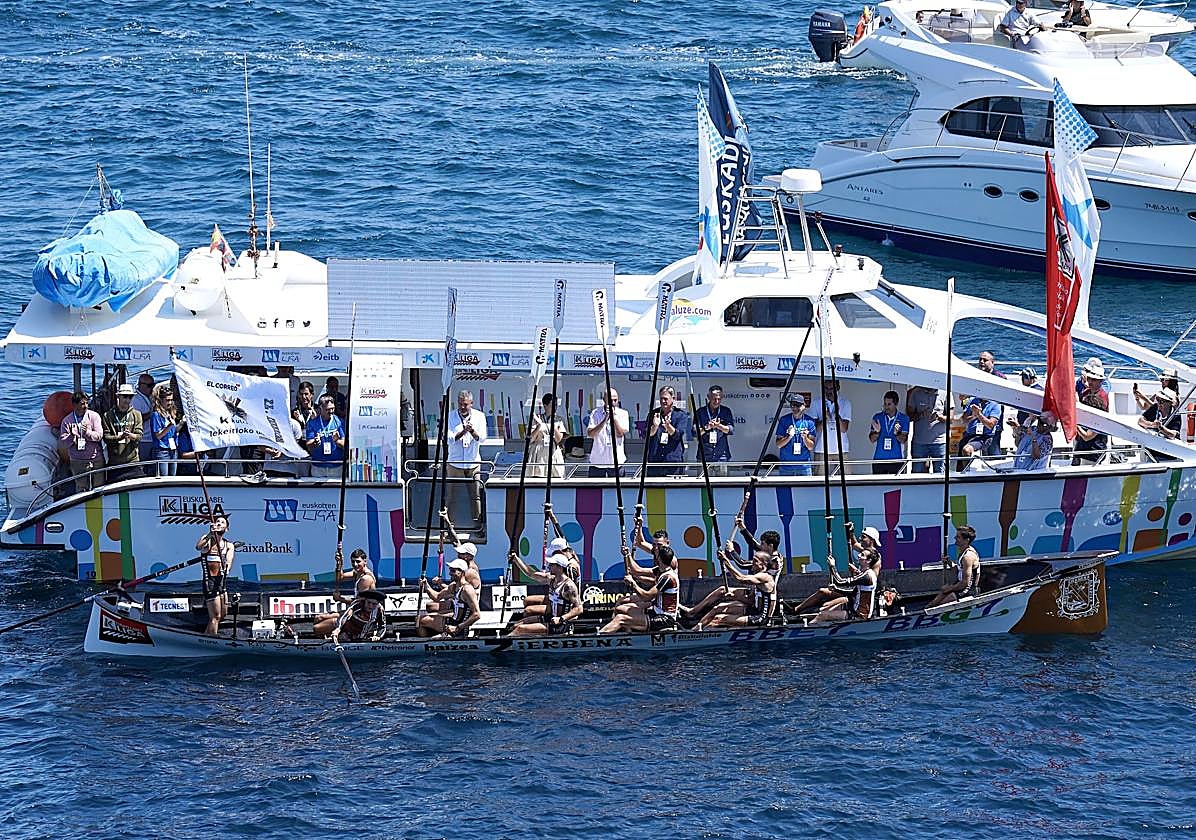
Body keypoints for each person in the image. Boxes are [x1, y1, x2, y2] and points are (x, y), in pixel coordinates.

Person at [599, 545, 679, 634]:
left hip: (665, 619)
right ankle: (628, 636)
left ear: (659, 559)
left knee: (620, 618)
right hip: (655, 610)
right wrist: (627, 554)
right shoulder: (660, 570)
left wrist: (633, 584)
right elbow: (636, 570)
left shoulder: (667, 578)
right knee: (620, 609)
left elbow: (646, 597)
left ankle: (598, 637)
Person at [699, 548, 777, 629]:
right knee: (718, 608)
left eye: (755, 561)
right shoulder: (758, 576)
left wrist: (725, 560)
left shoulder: (765, 577)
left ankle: (700, 635)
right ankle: (696, 629)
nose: (752, 563)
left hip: (760, 617)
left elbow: (741, 578)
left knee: (718, 619)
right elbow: (751, 598)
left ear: (764, 564)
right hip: (753, 609)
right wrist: (733, 596)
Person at [508, 551, 583, 636]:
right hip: (549, 618)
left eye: (552, 564)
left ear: (559, 567)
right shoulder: (551, 579)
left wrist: (561, 619)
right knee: (515, 625)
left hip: (560, 625)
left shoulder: (569, 586)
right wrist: (516, 559)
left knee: (519, 629)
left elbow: (579, 608)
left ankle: (503, 643)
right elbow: (531, 574)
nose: (549, 566)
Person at [312, 548, 378, 636]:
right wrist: (339, 563)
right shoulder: (357, 572)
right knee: (318, 618)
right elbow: (340, 577)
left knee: (316, 628)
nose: (355, 564)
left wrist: (340, 599)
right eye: (353, 562)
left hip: (361, 617)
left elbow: (359, 603)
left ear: (365, 561)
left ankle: (346, 634)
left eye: (358, 562)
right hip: (355, 612)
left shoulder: (366, 579)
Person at [807, 547, 882, 623]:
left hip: (859, 615)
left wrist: (832, 566)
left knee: (822, 615)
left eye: (862, 555)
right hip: (853, 606)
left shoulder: (867, 576)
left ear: (868, 561)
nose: (858, 555)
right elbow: (852, 592)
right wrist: (836, 589)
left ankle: (807, 629)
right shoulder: (865, 573)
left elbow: (839, 581)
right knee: (824, 609)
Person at [446, 390, 487, 523]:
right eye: (460, 404)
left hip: (473, 462)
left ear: (471, 403)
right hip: (455, 463)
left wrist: (472, 430)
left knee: (476, 496)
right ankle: (449, 526)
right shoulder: (450, 416)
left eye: (466, 404)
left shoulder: (479, 416)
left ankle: (477, 525)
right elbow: (449, 439)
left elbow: (482, 438)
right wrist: (463, 431)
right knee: (451, 497)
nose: (463, 407)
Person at [418, 558, 481, 638]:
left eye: (453, 571)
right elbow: (436, 597)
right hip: (453, 620)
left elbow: (476, 615)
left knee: (421, 621)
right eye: (450, 570)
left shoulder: (467, 590)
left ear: (462, 572)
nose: (450, 573)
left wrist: (457, 628)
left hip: (460, 628)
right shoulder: (453, 586)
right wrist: (426, 585)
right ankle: (429, 641)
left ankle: (433, 641)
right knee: (420, 619)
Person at [196, 515, 235, 635]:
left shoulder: (229, 545)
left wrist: (227, 568)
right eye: (217, 521)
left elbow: (229, 561)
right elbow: (198, 547)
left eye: (222, 522)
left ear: (226, 529)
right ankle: (212, 640)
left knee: (223, 614)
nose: (219, 523)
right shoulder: (207, 540)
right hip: (210, 583)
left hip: (221, 582)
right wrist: (210, 534)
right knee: (215, 617)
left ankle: (205, 636)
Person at [59, 391, 104, 493]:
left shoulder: (94, 416)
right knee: (81, 489)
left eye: (87, 403)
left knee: (99, 488)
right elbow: (63, 442)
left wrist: (87, 433)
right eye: (82, 404)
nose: (86, 406)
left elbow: (99, 436)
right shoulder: (67, 421)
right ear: (75, 405)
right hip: (77, 461)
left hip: (95, 460)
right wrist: (72, 437)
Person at [928, 525, 981, 607]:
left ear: (966, 540)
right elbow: (958, 570)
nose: (955, 538)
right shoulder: (962, 552)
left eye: (958, 537)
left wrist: (949, 588)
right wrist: (949, 562)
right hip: (959, 585)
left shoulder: (968, 557)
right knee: (933, 603)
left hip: (967, 590)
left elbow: (965, 583)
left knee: (940, 606)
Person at [807, 380, 851, 475]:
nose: (829, 391)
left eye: (832, 388)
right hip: (821, 448)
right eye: (826, 388)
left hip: (841, 448)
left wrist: (837, 415)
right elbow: (815, 430)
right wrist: (825, 418)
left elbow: (844, 429)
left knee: (846, 479)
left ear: (838, 388)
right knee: (820, 480)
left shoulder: (845, 403)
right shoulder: (816, 402)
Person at [102, 383, 143, 483]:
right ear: (118, 396)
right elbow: (106, 438)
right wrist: (120, 437)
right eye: (124, 396)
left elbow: (139, 436)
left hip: (133, 461)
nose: (127, 400)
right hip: (115, 462)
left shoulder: (137, 414)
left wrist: (130, 435)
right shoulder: (108, 415)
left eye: (130, 397)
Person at [646, 386, 690, 476]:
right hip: (655, 461)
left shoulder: (681, 415)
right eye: (661, 399)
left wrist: (668, 426)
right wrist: (655, 426)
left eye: (665, 399)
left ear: (673, 398)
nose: (663, 401)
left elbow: (678, 435)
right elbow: (647, 435)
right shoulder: (653, 414)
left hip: (673, 462)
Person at [586, 387, 629, 478]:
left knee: (617, 487)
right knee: (595, 487)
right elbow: (590, 434)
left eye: (615, 400)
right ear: (604, 400)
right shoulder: (595, 413)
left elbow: (620, 434)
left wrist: (614, 418)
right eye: (610, 400)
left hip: (616, 462)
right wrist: (605, 419)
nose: (613, 403)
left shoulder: (623, 414)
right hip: (598, 461)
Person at [906, 385, 947, 474]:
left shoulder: (945, 392)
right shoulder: (916, 392)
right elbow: (909, 416)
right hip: (919, 442)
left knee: (940, 474)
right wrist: (920, 415)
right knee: (917, 474)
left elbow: (951, 418)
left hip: (939, 442)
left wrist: (939, 417)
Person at [694, 385, 734, 475]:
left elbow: (730, 430)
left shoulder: (726, 411)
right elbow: (695, 433)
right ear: (708, 397)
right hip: (704, 456)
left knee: (722, 483)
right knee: (703, 483)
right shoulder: (700, 412)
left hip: (722, 456)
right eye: (714, 399)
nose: (717, 401)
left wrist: (719, 426)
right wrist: (707, 428)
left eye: (719, 399)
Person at [775, 393, 817, 476]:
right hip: (786, 466)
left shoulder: (810, 421)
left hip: (804, 467)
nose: (794, 408)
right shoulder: (784, 420)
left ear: (804, 406)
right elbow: (779, 445)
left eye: (798, 405)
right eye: (792, 405)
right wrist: (789, 436)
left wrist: (805, 437)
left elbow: (811, 447)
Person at [869, 390, 909, 475]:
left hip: (896, 460)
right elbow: (872, 440)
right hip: (879, 459)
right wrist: (877, 432)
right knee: (878, 483)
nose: (886, 407)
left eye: (889, 404)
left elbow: (903, 440)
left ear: (896, 404)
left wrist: (897, 433)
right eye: (885, 404)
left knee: (895, 484)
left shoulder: (903, 418)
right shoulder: (878, 417)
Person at [305, 395, 345, 478]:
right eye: (328, 409)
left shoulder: (339, 421)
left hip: (336, 466)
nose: (331, 411)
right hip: (318, 467)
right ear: (321, 408)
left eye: (332, 408)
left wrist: (337, 441)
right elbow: (308, 445)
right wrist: (315, 442)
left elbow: (345, 445)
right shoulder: (312, 423)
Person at [527, 393, 565, 479]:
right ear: (545, 406)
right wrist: (539, 425)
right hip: (538, 452)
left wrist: (553, 425)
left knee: (556, 478)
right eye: (552, 405)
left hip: (553, 452)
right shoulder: (537, 418)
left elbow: (559, 440)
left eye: (556, 405)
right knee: (538, 478)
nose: (555, 407)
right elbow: (531, 439)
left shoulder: (559, 419)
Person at [957, 395, 1001, 466]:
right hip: (968, 435)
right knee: (961, 452)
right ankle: (962, 470)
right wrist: (973, 416)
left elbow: (990, 425)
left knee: (966, 450)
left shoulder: (995, 405)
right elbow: (963, 420)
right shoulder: (972, 400)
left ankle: (967, 471)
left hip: (984, 437)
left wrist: (979, 414)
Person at [148, 385, 181, 477]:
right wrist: (169, 426)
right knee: (164, 478)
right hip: (162, 451)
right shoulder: (156, 415)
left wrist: (181, 423)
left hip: (173, 449)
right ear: (160, 400)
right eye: (167, 400)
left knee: (173, 477)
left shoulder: (170, 412)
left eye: (171, 400)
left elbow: (174, 431)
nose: (170, 403)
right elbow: (158, 436)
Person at [1073, 392, 1109, 465]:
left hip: (1092, 455)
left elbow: (1087, 436)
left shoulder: (1098, 420)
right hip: (1086, 453)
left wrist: (1075, 423)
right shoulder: (1092, 419)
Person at [132, 372, 156, 473]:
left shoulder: (149, 397)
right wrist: (152, 413)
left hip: (152, 438)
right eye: (150, 385)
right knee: (143, 466)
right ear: (141, 385)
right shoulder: (136, 400)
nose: (152, 388)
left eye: (153, 385)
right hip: (144, 439)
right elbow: (136, 420)